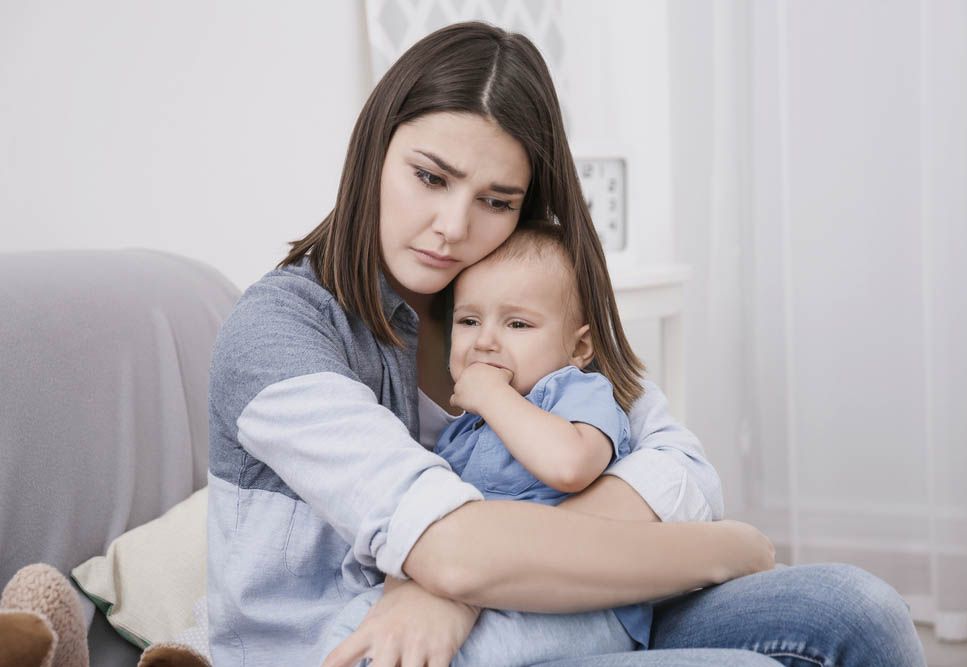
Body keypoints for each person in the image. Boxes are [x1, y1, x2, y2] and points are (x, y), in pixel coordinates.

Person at [207, 20, 926, 667]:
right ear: (373, 152)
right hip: (367, 645)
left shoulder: (515, 289)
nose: (454, 226)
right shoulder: (279, 331)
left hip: (536, 608)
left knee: (859, 609)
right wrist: (721, 550)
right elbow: (451, 547)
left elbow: (680, 467)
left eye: (497, 200)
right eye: (430, 177)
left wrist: (466, 582)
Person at [327, 221, 659, 666]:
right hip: (483, 589)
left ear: (580, 348)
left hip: (578, 601)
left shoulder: (574, 392)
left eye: (517, 323)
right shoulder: (462, 434)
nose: (485, 341)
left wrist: (492, 395)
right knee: (354, 629)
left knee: (462, 656)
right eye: (469, 320)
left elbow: (571, 465)